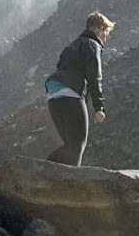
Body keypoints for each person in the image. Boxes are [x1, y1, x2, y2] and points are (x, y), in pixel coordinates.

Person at [44, 11, 114, 165]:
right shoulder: (92, 44)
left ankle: (40, 173)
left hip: (54, 94)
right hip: (70, 93)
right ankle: (68, 184)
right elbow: (94, 77)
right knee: (78, 144)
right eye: (106, 33)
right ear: (98, 29)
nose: (106, 38)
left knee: (71, 145)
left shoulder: (73, 45)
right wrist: (99, 107)